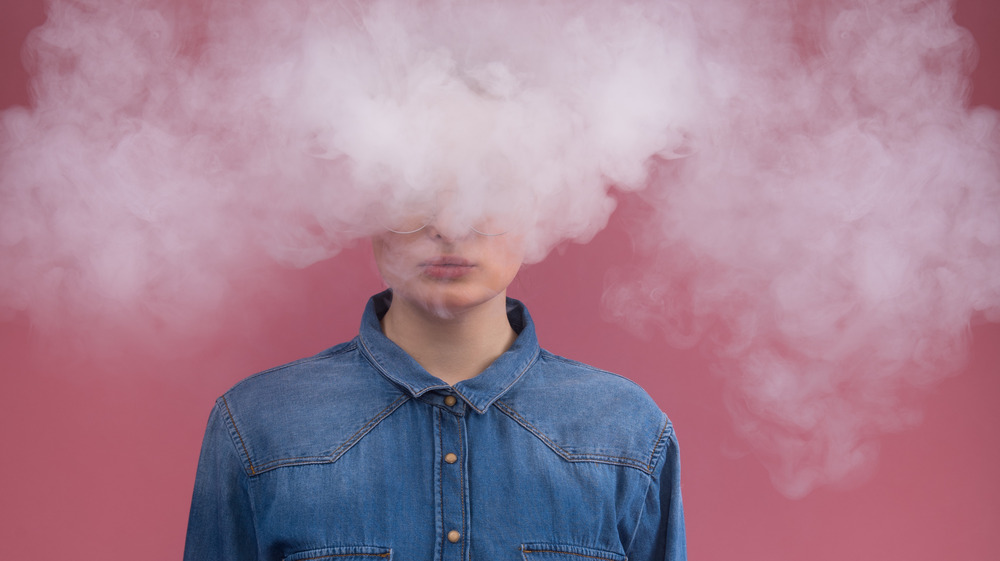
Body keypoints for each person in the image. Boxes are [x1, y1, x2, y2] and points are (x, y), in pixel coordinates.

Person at [183, 207, 686, 561]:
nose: (448, 227)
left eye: (485, 194)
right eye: (413, 196)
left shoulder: (627, 431)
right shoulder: (256, 425)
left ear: (537, 214)